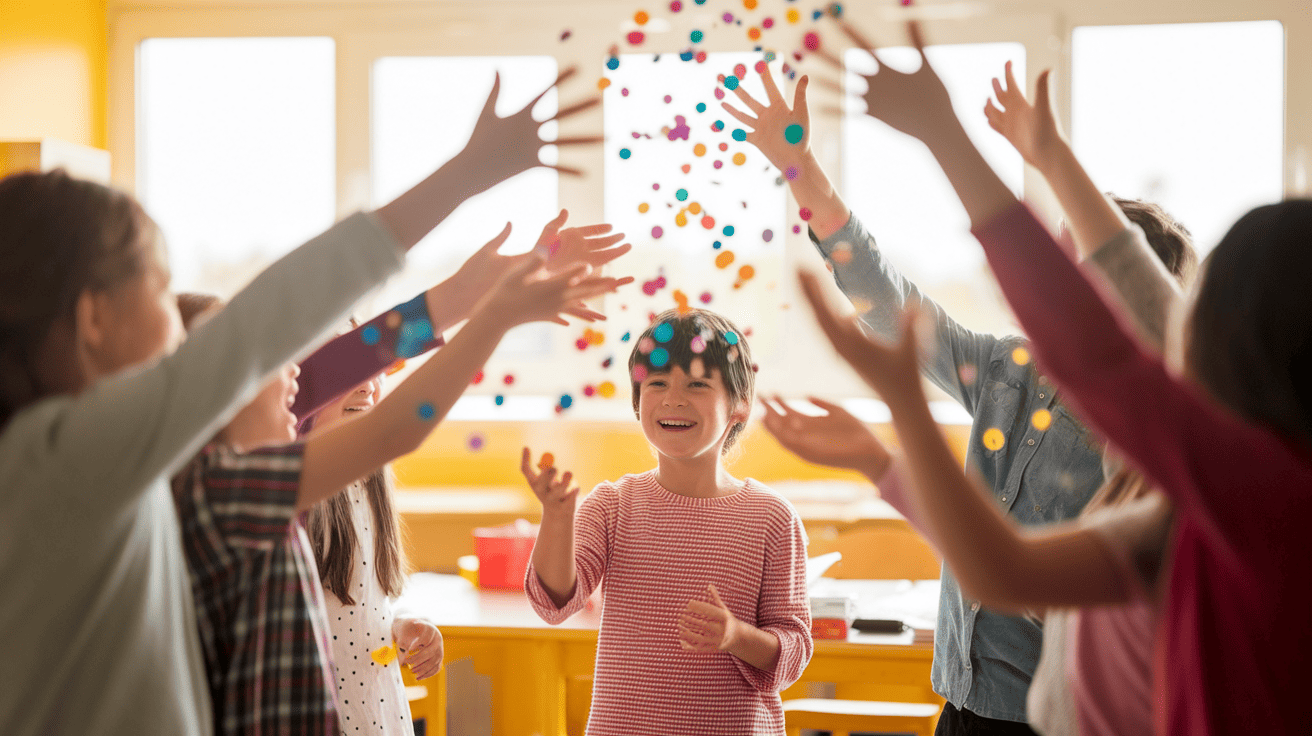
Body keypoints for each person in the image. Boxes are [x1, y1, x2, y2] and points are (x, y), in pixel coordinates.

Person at [0, 66, 598, 736]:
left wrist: (464, 297)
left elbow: (343, 363)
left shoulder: (159, 474)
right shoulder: (72, 457)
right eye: (161, 289)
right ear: (94, 320)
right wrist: (465, 194)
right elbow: (291, 328)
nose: (182, 332)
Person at [803, 20, 1312, 736]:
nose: (1057, 312)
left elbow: (1105, 337)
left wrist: (958, 138)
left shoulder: (1244, 485)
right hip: (967, 704)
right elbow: (1000, 569)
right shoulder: (1170, 501)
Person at [722, 54, 1134, 735]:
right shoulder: (1011, 370)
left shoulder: (1147, 443)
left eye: (1079, 275)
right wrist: (803, 172)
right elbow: (889, 304)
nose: (1054, 290)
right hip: (963, 704)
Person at [172, 212, 628, 736]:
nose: (287, 373)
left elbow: (370, 355)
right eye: (253, 362)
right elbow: (387, 406)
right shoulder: (226, 489)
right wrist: (496, 306)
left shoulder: (253, 475)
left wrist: (504, 281)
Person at [522, 309, 812, 735]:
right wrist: (557, 519)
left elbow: (794, 649)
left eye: (696, 385)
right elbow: (554, 603)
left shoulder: (772, 517)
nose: (673, 399)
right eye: (657, 384)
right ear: (638, 402)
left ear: (739, 407)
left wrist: (735, 635)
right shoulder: (612, 505)